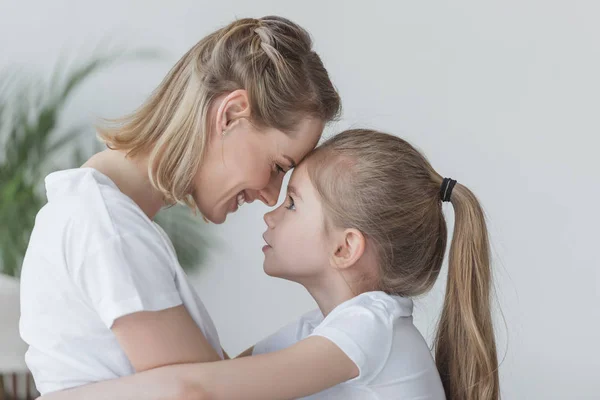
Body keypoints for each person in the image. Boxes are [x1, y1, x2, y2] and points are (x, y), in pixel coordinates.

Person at [41, 129, 500, 400]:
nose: (270, 211)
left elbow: (196, 390)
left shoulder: (371, 326)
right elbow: (220, 375)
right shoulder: (319, 331)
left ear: (346, 248)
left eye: (294, 203)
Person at [19, 15, 341, 395]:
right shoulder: (108, 227)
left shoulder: (108, 218)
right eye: (276, 167)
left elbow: (212, 382)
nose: (271, 196)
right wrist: (347, 348)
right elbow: (199, 393)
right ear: (231, 114)